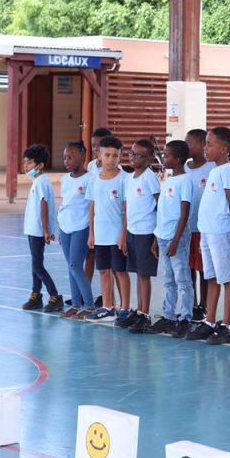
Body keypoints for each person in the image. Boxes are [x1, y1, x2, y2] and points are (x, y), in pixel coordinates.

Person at [187, 127, 230, 345]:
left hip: (218, 230)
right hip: (207, 231)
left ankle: (225, 326)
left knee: (226, 278)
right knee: (211, 277)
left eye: (209, 144)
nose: (205, 148)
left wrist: (219, 213)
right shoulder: (215, 170)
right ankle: (210, 321)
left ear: (223, 149)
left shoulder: (226, 171)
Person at [149, 140, 195, 338]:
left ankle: (185, 318)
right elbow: (163, 212)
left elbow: (184, 214)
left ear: (177, 160)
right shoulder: (169, 180)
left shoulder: (185, 180)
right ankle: (168, 315)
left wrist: (176, 240)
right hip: (163, 236)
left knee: (182, 278)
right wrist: (156, 237)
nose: (163, 158)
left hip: (177, 237)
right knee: (168, 279)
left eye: (166, 155)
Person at [85, 136, 130, 322]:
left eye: (115, 155)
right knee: (104, 270)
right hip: (100, 235)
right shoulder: (94, 179)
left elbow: (127, 210)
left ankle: (125, 308)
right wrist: (91, 233)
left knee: (120, 271)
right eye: (107, 155)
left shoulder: (125, 179)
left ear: (120, 156)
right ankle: (108, 307)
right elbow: (92, 207)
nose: (111, 159)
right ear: (99, 155)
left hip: (117, 234)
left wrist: (124, 234)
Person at [119, 138, 162, 333]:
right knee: (137, 273)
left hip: (146, 232)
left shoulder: (149, 177)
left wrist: (156, 237)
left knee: (144, 275)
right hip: (132, 232)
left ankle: (145, 314)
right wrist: (124, 234)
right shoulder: (129, 179)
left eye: (139, 155)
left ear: (149, 159)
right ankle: (138, 310)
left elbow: (160, 205)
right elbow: (127, 209)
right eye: (131, 153)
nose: (133, 157)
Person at [21, 144, 63, 313]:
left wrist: (46, 230)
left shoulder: (40, 182)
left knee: (37, 266)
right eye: (25, 162)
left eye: (30, 162)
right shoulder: (39, 181)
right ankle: (36, 295)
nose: (26, 166)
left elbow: (44, 207)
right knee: (35, 264)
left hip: (38, 230)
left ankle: (54, 296)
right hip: (33, 229)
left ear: (40, 165)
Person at [57, 141, 94, 318]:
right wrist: (60, 228)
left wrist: (92, 232)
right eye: (65, 157)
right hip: (65, 227)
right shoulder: (65, 180)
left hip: (82, 227)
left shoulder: (90, 179)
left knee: (75, 265)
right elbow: (64, 204)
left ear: (82, 156)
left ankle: (89, 305)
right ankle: (76, 303)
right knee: (71, 267)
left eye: (71, 157)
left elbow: (93, 206)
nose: (67, 161)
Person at [184, 128, 213, 321]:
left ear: (203, 145)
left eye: (189, 143)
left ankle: (204, 306)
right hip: (186, 227)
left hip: (203, 228)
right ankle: (192, 304)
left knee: (204, 269)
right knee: (188, 269)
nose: (186, 147)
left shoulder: (211, 168)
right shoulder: (184, 167)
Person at [85, 126, 113, 307]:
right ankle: (85, 293)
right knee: (90, 257)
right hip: (94, 221)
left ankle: (108, 299)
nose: (95, 149)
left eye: (99, 145)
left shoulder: (116, 171)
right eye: (93, 145)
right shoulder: (90, 166)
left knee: (109, 266)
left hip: (108, 223)